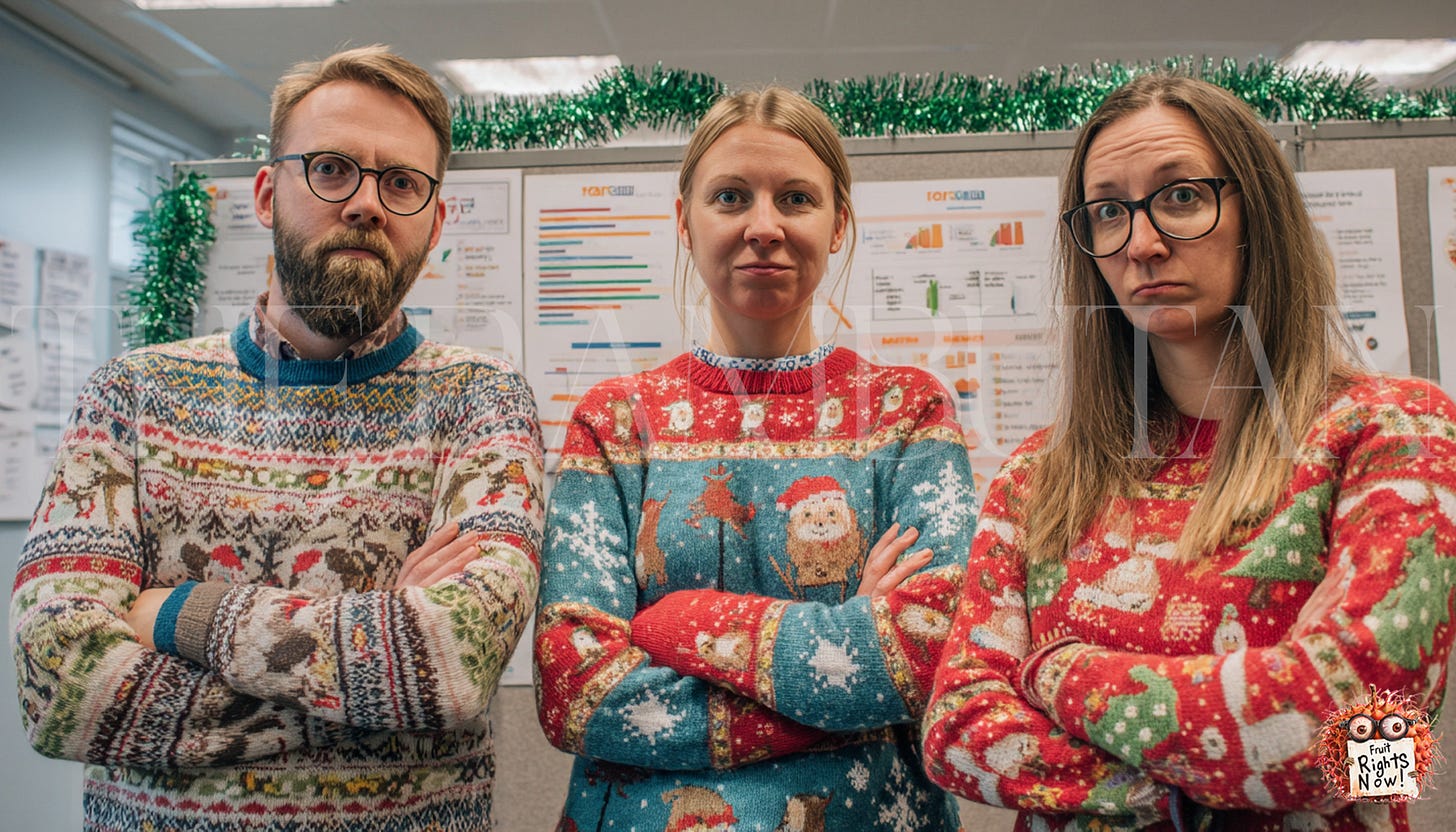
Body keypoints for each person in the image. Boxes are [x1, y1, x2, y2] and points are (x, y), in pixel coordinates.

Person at [10, 46, 543, 831]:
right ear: (266, 194)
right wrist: (380, 683)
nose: (366, 204)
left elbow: (453, 661)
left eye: (401, 183)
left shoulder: (480, 399)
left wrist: (181, 615)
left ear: (434, 222)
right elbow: (55, 682)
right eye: (331, 169)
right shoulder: (131, 396)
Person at [922, 72, 1456, 831]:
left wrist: (1056, 671)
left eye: (1180, 197)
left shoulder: (1395, 431)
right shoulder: (1042, 474)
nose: (1142, 244)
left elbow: (1369, 750)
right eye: (1109, 211)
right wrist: (1185, 784)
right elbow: (957, 734)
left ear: (1258, 212)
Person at [534, 86, 979, 830]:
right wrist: (848, 652)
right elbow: (574, 691)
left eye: (796, 199)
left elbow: (932, 652)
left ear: (839, 224)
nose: (764, 227)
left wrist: (681, 622)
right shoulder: (615, 423)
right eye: (731, 197)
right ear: (684, 221)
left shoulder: (907, 413)